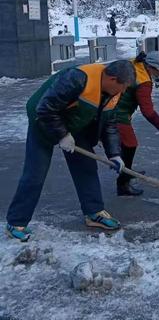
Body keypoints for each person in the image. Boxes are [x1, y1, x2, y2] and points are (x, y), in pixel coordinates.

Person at [5, 60, 135, 242]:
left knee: (86, 168)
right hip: (43, 119)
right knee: (35, 173)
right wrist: (63, 135)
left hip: (74, 122)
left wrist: (114, 153)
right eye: (122, 87)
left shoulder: (113, 91)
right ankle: (16, 222)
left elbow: (110, 123)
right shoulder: (77, 78)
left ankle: (94, 212)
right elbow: (45, 108)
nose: (123, 92)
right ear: (112, 79)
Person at [115, 51, 159, 196]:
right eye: (158, 71)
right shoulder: (144, 82)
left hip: (114, 108)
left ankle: (126, 168)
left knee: (124, 143)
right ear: (150, 67)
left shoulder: (135, 63)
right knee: (130, 144)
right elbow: (148, 112)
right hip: (116, 114)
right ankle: (123, 183)